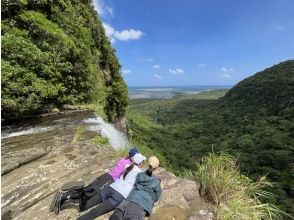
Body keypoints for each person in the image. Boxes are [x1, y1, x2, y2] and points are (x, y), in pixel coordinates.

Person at [51, 148, 138, 212]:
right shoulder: (130, 165)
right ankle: (64, 197)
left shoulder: (123, 159)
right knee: (89, 194)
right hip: (109, 180)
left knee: (87, 189)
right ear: (134, 156)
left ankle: (64, 195)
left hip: (105, 175)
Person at [76, 153, 147, 220]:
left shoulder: (127, 166)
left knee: (88, 203)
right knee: (97, 211)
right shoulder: (140, 173)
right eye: (143, 162)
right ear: (140, 163)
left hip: (112, 187)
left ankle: (82, 199)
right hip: (120, 195)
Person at [109, 156, 161, 220]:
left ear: (148, 164)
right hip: (139, 208)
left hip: (127, 201)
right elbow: (156, 197)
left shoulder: (140, 175)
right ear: (156, 168)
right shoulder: (156, 181)